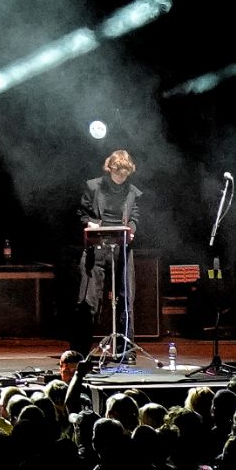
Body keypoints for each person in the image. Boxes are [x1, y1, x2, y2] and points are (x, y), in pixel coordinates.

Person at [76, 149, 141, 356]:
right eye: (118, 173)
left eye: (125, 175)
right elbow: (81, 213)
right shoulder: (93, 186)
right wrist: (91, 224)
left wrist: (131, 229)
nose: (121, 178)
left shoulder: (132, 191)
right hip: (97, 249)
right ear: (110, 169)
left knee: (126, 298)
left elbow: (134, 216)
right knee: (89, 300)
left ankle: (125, 351)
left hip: (122, 248)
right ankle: (81, 350)